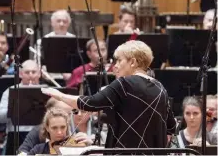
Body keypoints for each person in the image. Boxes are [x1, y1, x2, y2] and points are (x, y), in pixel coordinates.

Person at [42, 40, 176, 148]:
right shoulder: (160, 87)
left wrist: (59, 95)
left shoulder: (124, 84)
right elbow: (171, 126)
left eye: (119, 60)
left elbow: (88, 103)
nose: (115, 66)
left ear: (133, 62)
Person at [28, 108, 92, 155]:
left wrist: (91, 146)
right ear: (47, 128)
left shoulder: (77, 145)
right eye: (54, 128)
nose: (59, 132)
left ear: (67, 126)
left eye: (63, 127)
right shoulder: (38, 150)